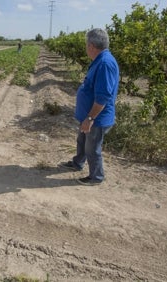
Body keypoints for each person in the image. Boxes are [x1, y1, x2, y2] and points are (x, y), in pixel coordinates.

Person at [61, 28, 119, 186]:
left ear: (92, 45)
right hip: (88, 115)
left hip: (97, 119)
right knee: (82, 141)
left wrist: (90, 118)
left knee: (92, 148)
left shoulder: (105, 63)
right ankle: (77, 163)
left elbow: (103, 97)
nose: (86, 48)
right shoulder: (100, 60)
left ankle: (96, 177)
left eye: (87, 45)